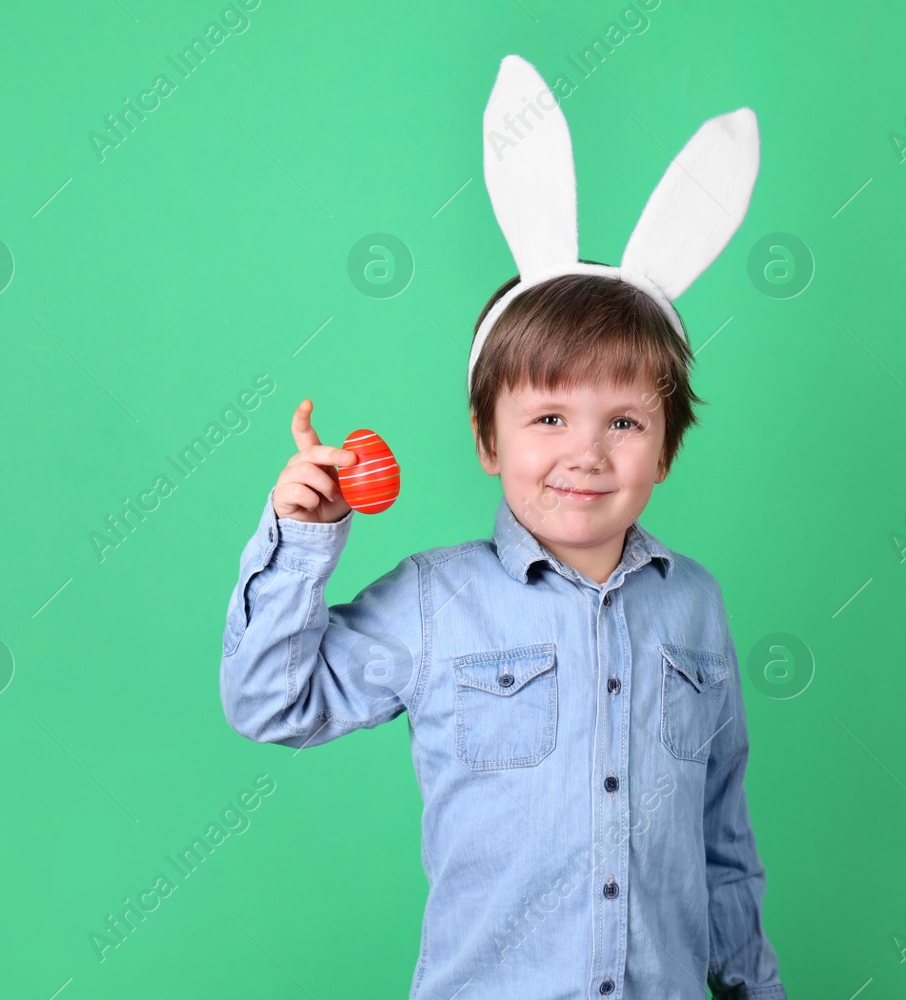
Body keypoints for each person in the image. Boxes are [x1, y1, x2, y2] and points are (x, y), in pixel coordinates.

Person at [219, 55, 785, 999]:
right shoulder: (436, 600)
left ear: (666, 450)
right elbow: (271, 701)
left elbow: (722, 839)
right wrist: (301, 540)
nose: (587, 452)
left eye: (626, 422)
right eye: (549, 418)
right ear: (489, 437)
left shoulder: (694, 605)